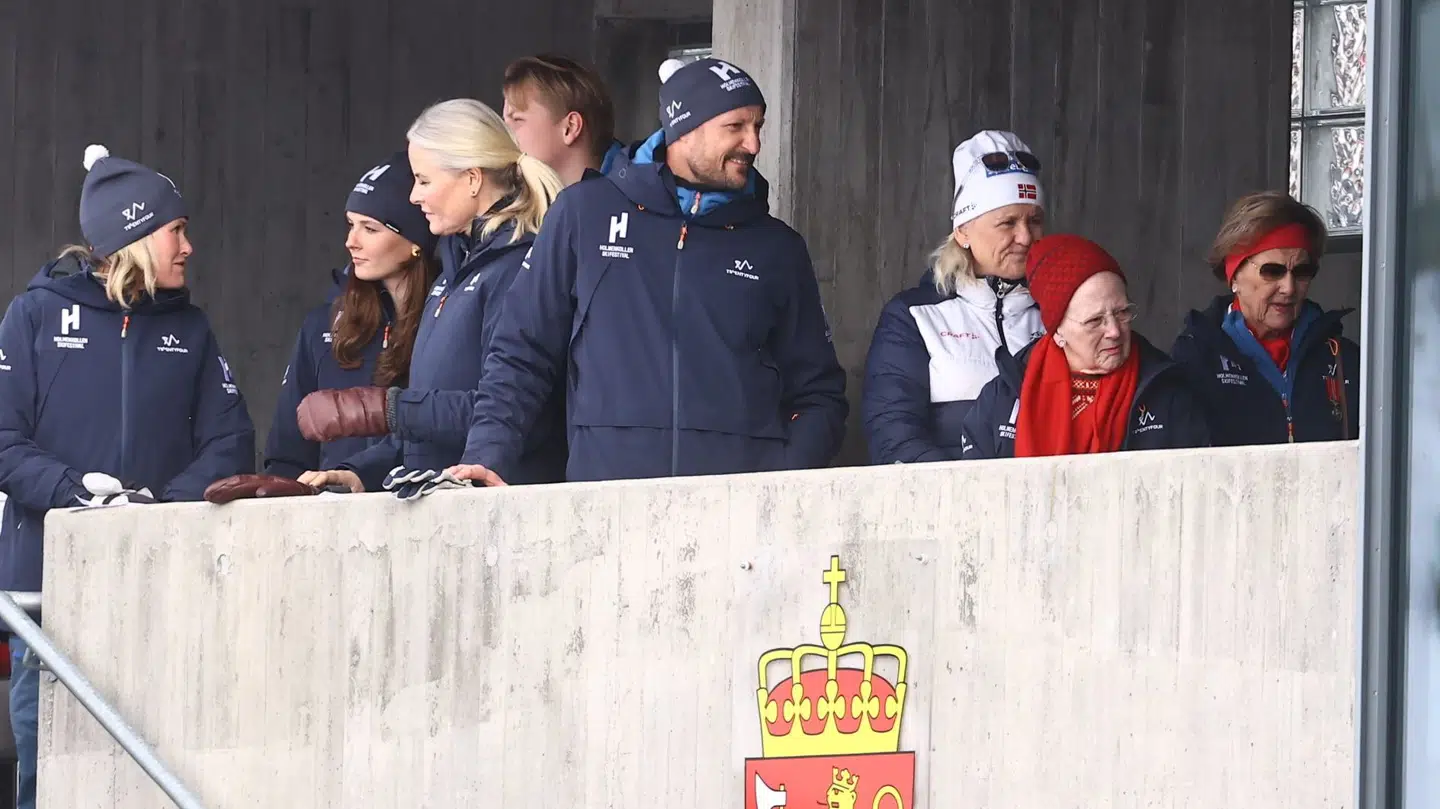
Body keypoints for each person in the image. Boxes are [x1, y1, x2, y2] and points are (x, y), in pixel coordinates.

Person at [445, 56, 849, 487]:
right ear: (684, 128)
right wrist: (489, 454)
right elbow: (522, 353)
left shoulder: (777, 247)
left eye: (758, 126)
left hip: (737, 523)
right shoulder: (586, 212)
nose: (753, 144)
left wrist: (780, 482)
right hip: (607, 510)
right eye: (735, 127)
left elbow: (819, 393)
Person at [0, 145, 254, 809]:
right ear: (136, 234)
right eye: (177, 230)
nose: (190, 247)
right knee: (46, 778)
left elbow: (232, 443)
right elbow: (3, 442)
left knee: (151, 776)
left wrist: (154, 504)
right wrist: (80, 492)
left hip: (160, 593)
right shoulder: (33, 316)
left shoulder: (191, 330)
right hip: (48, 609)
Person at [292, 98, 567, 492]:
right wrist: (359, 473)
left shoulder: (517, 269)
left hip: (500, 517)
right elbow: (424, 437)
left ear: (472, 179)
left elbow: (508, 412)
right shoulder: (451, 273)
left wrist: (386, 409)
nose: (413, 197)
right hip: (446, 514)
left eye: (423, 181)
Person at [862, 130, 1047, 464]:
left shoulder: (1063, 316)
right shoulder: (914, 317)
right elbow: (893, 437)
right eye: (1007, 223)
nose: (1025, 236)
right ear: (963, 231)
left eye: (1034, 221)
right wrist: (969, 497)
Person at [263, 152, 438, 479]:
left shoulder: (447, 319)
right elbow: (287, 453)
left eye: (369, 229)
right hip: (332, 518)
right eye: (351, 225)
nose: (350, 242)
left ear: (416, 241)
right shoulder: (323, 324)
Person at [960, 234, 1208, 459]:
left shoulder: (1167, 391)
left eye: (1122, 313)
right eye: (1094, 321)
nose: (1114, 331)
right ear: (1057, 331)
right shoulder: (1004, 396)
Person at [1170, 191, 1359, 445]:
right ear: (1234, 275)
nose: (1289, 288)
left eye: (1302, 272)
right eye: (1273, 271)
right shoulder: (1196, 357)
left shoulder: (1343, 358)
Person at [502, 54, 623, 184]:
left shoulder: (629, 198)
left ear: (570, 128)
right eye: (504, 122)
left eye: (517, 119)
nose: (502, 133)